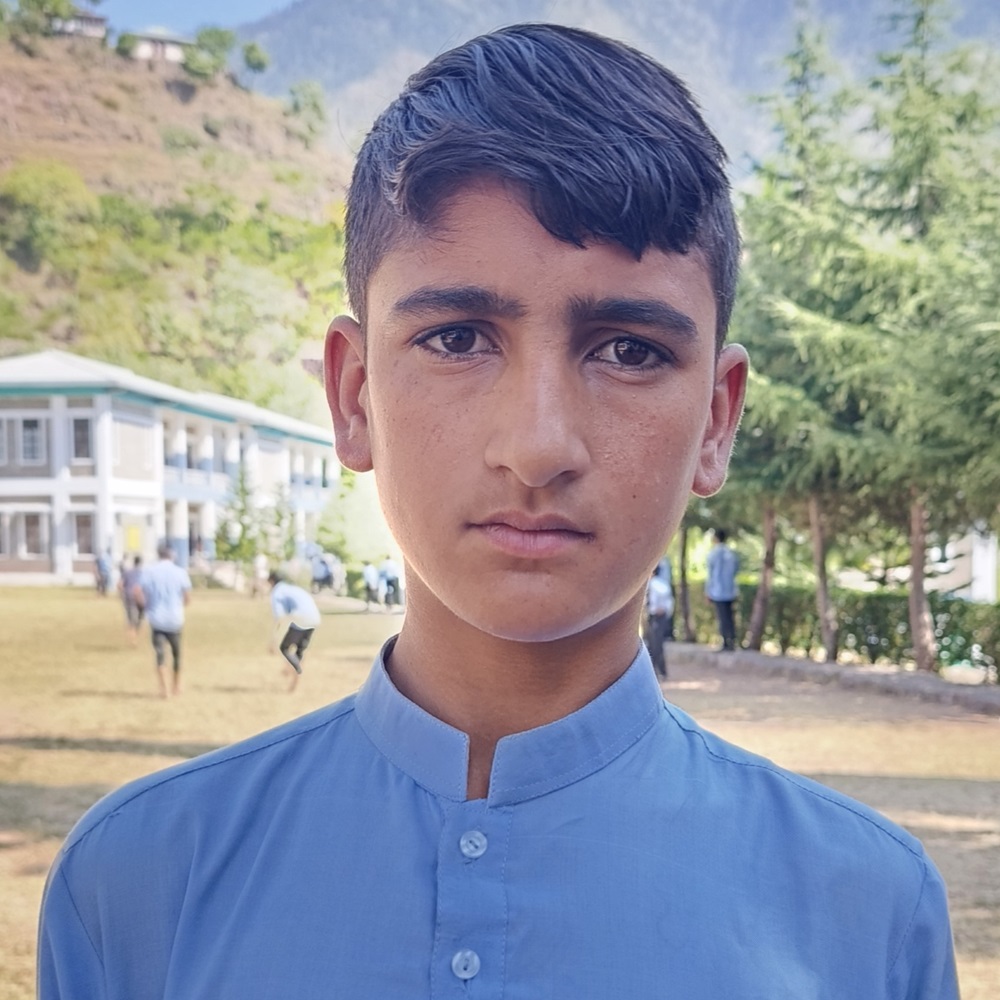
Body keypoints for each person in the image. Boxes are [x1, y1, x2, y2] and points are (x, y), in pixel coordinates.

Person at [38, 24, 958, 1000]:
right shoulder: (139, 883)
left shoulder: (867, 914)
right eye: (458, 338)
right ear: (353, 397)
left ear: (716, 421)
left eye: (629, 350)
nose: (538, 444)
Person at [133, 543, 191, 699]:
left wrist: (145, 606)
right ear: (172, 555)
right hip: (175, 619)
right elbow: (187, 597)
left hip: (157, 619)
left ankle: (164, 689)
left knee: (160, 654)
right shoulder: (180, 572)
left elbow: (137, 591)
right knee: (176, 654)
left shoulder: (150, 572)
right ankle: (176, 686)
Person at [268, 570, 321, 691]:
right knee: (299, 650)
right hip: (315, 618)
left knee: (284, 648)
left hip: (302, 618)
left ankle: (297, 670)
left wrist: (273, 640)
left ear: (271, 581)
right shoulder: (292, 588)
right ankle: (292, 669)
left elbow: (279, 617)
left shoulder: (277, 592)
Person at [705, 527, 740, 651]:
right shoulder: (731, 554)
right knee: (730, 616)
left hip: (718, 591)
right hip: (730, 590)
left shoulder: (713, 554)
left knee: (722, 617)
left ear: (716, 538)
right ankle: (732, 641)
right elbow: (736, 570)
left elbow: (710, 575)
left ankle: (725, 642)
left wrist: (708, 591)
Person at [643, 561, 674, 679]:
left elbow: (665, 600)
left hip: (658, 617)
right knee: (652, 643)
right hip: (653, 616)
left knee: (656, 644)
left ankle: (659, 670)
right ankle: (656, 670)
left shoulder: (657, 585)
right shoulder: (654, 584)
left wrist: (663, 610)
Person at [117, 554, 144, 645]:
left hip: (129, 597)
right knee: (138, 619)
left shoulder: (127, 572)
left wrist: (121, 594)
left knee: (131, 619)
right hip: (141, 598)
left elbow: (120, 585)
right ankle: (134, 637)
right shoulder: (144, 573)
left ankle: (133, 637)